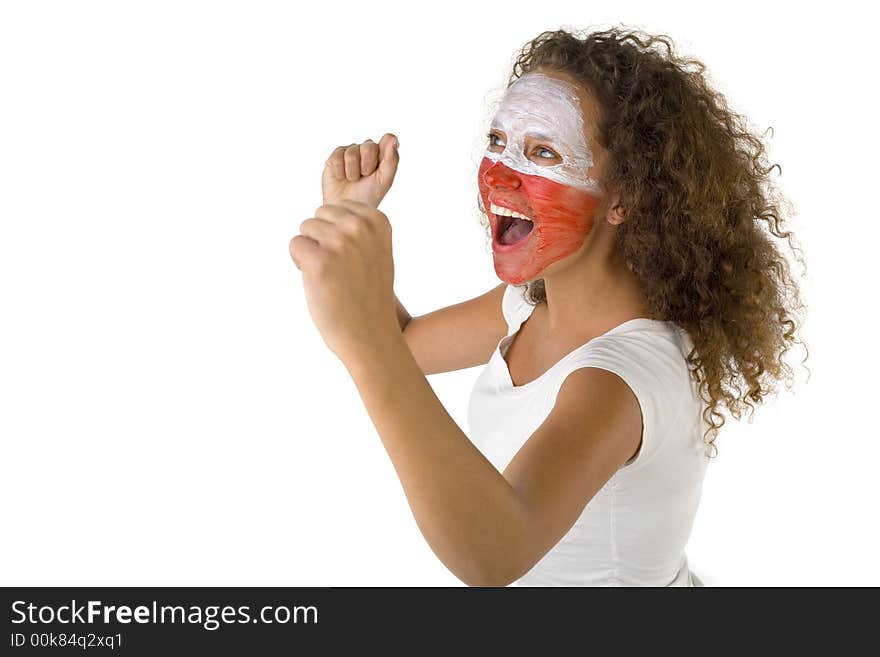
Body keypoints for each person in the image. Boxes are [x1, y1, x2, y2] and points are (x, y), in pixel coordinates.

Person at [289, 27, 808, 586]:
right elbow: (407, 346)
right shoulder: (526, 305)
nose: (501, 174)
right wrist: (347, 220)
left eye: (544, 151)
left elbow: (495, 554)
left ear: (625, 196)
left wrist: (365, 343)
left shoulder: (616, 382)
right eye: (496, 143)